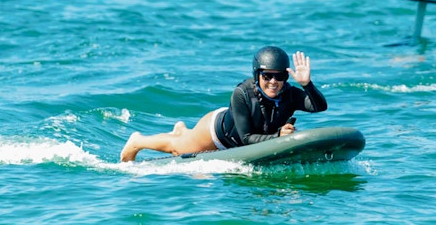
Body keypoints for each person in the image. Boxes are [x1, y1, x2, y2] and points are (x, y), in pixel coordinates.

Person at [120, 47, 327, 162]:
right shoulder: (242, 94)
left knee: (182, 138)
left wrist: (307, 84)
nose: (274, 81)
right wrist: (278, 136)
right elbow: (245, 138)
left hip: (251, 136)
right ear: (257, 75)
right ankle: (138, 141)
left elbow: (319, 107)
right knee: (177, 148)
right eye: (267, 76)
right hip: (217, 134)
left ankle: (181, 130)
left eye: (280, 76)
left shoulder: (289, 93)